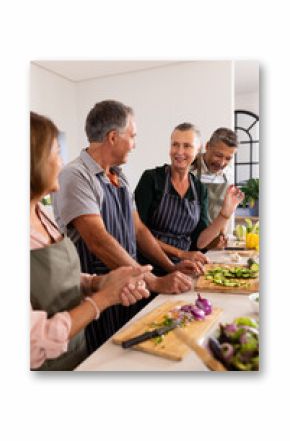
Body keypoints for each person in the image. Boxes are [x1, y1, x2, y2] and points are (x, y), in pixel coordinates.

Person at [53, 100, 198, 352]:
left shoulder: (118, 176)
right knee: (104, 357)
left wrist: (170, 266)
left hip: (129, 284)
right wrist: (153, 282)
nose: (134, 143)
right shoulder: (75, 176)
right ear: (112, 137)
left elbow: (139, 230)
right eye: (132, 136)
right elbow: (98, 240)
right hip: (99, 287)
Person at [30, 111, 151, 371]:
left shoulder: (41, 215)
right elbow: (31, 344)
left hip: (78, 353)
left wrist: (98, 282)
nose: (62, 164)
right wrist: (102, 298)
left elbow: (59, 277)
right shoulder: (76, 175)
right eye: (56, 153)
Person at [134, 122, 244, 269]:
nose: (179, 151)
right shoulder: (151, 179)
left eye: (187, 146)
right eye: (175, 145)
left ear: (198, 149)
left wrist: (225, 214)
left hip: (183, 266)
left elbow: (200, 242)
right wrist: (181, 255)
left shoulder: (199, 189)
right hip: (149, 267)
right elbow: (137, 232)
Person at [191, 127, 239, 226]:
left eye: (228, 158)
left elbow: (225, 211)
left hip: (216, 234)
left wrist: (222, 233)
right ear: (207, 146)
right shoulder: (189, 168)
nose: (222, 163)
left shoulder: (228, 173)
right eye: (218, 155)